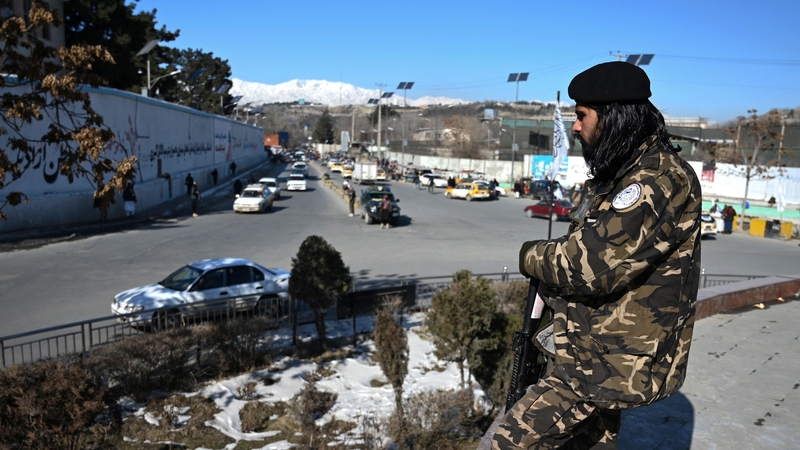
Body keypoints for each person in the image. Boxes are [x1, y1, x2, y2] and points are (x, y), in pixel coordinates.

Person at [487, 62, 702, 449]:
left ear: (614, 117)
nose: (574, 126)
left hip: (606, 364)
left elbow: (586, 266)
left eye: (581, 115)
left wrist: (530, 255)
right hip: (597, 353)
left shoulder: (654, 181)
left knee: (510, 441)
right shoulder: (626, 170)